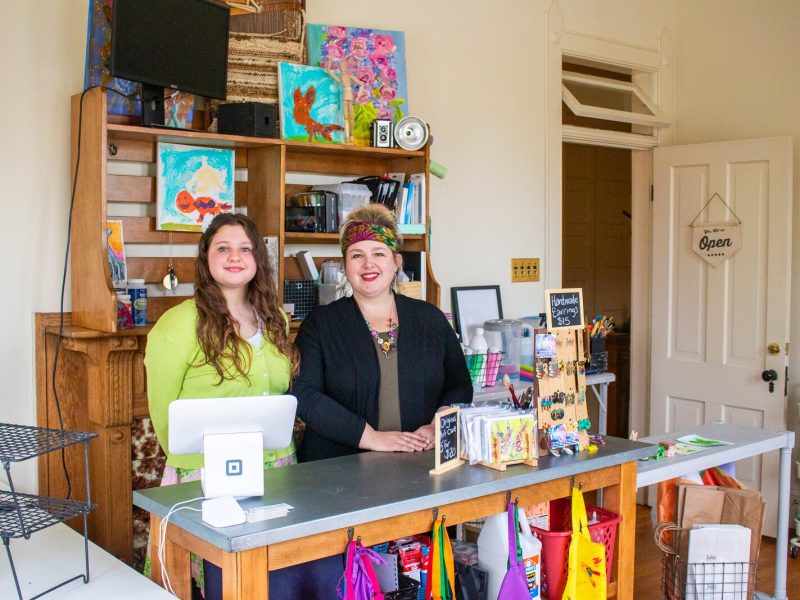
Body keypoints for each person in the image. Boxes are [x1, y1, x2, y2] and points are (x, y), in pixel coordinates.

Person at [143, 212, 297, 596]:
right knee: (211, 580)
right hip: (203, 476)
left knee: (269, 578)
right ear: (206, 258)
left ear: (258, 259)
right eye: (223, 248)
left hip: (276, 468)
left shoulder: (274, 317)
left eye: (245, 249)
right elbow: (163, 412)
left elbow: (280, 391)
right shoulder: (177, 324)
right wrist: (191, 463)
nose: (235, 256)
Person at [294, 203, 472, 463]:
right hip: (339, 469)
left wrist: (438, 426)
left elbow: (459, 385)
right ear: (344, 266)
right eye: (356, 255)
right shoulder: (321, 324)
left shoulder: (430, 319)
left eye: (379, 253)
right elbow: (305, 395)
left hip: (420, 463)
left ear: (396, 262)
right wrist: (372, 438)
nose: (368, 264)